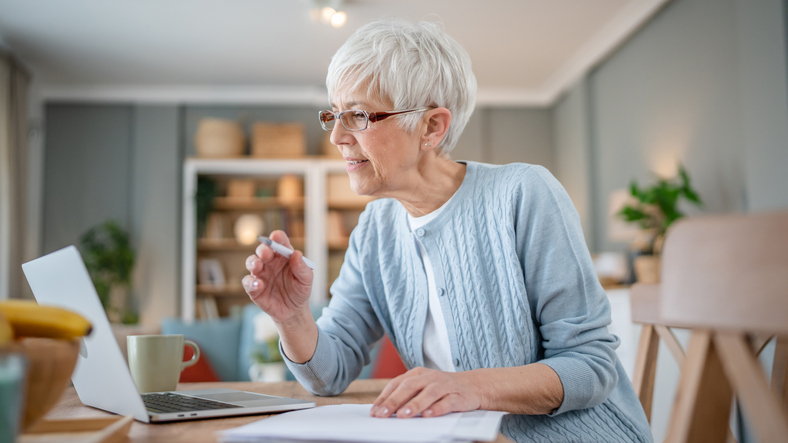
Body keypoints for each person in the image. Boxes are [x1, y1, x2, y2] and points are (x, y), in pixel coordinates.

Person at [243, 19, 652, 443]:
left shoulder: (523, 194)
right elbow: (329, 374)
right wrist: (292, 318)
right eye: (335, 115)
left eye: (359, 115)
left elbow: (591, 365)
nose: (338, 137)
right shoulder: (375, 232)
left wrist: (471, 387)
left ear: (432, 128)